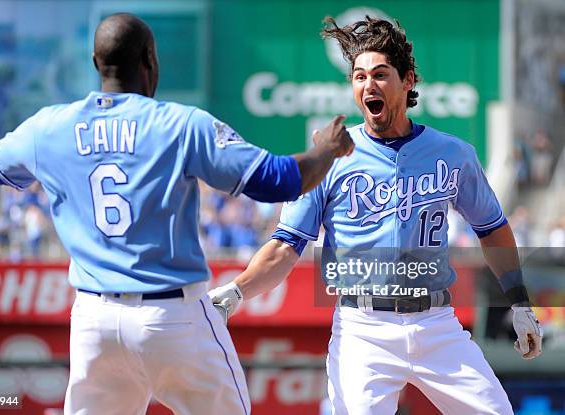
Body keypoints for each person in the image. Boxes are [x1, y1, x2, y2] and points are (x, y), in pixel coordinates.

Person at [0, 13, 353, 415]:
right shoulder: (180, 124)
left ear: (95, 63)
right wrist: (326, 149)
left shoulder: (48, 127)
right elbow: (278, 181)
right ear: (150, 61)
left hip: (93, 321)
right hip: (172, 316)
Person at [210, 16, 543, 414]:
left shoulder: (453, 153)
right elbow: (286, 245)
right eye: (359, 76)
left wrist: (519, 301)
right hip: (362, 329)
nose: (369, 85)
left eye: (381, 75)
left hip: (436, 322)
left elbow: (492, 229)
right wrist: (238, 289)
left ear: (408, 80)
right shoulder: (329, 159)